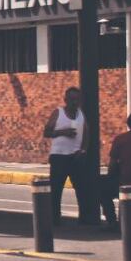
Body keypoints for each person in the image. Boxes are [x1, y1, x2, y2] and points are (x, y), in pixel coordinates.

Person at [43, 87, 89, 225]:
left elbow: (87, 133)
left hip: (75, 156)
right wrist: (63, 132)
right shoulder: (59, 113)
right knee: (56, 189)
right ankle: (55, 217)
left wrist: (83, 150)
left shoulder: (81, 115)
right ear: (66, 100)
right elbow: (47, 132)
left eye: (77, 99)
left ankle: (84, 217)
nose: (75, 102)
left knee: (81, 189)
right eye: (72, 99)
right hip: (59, 157)